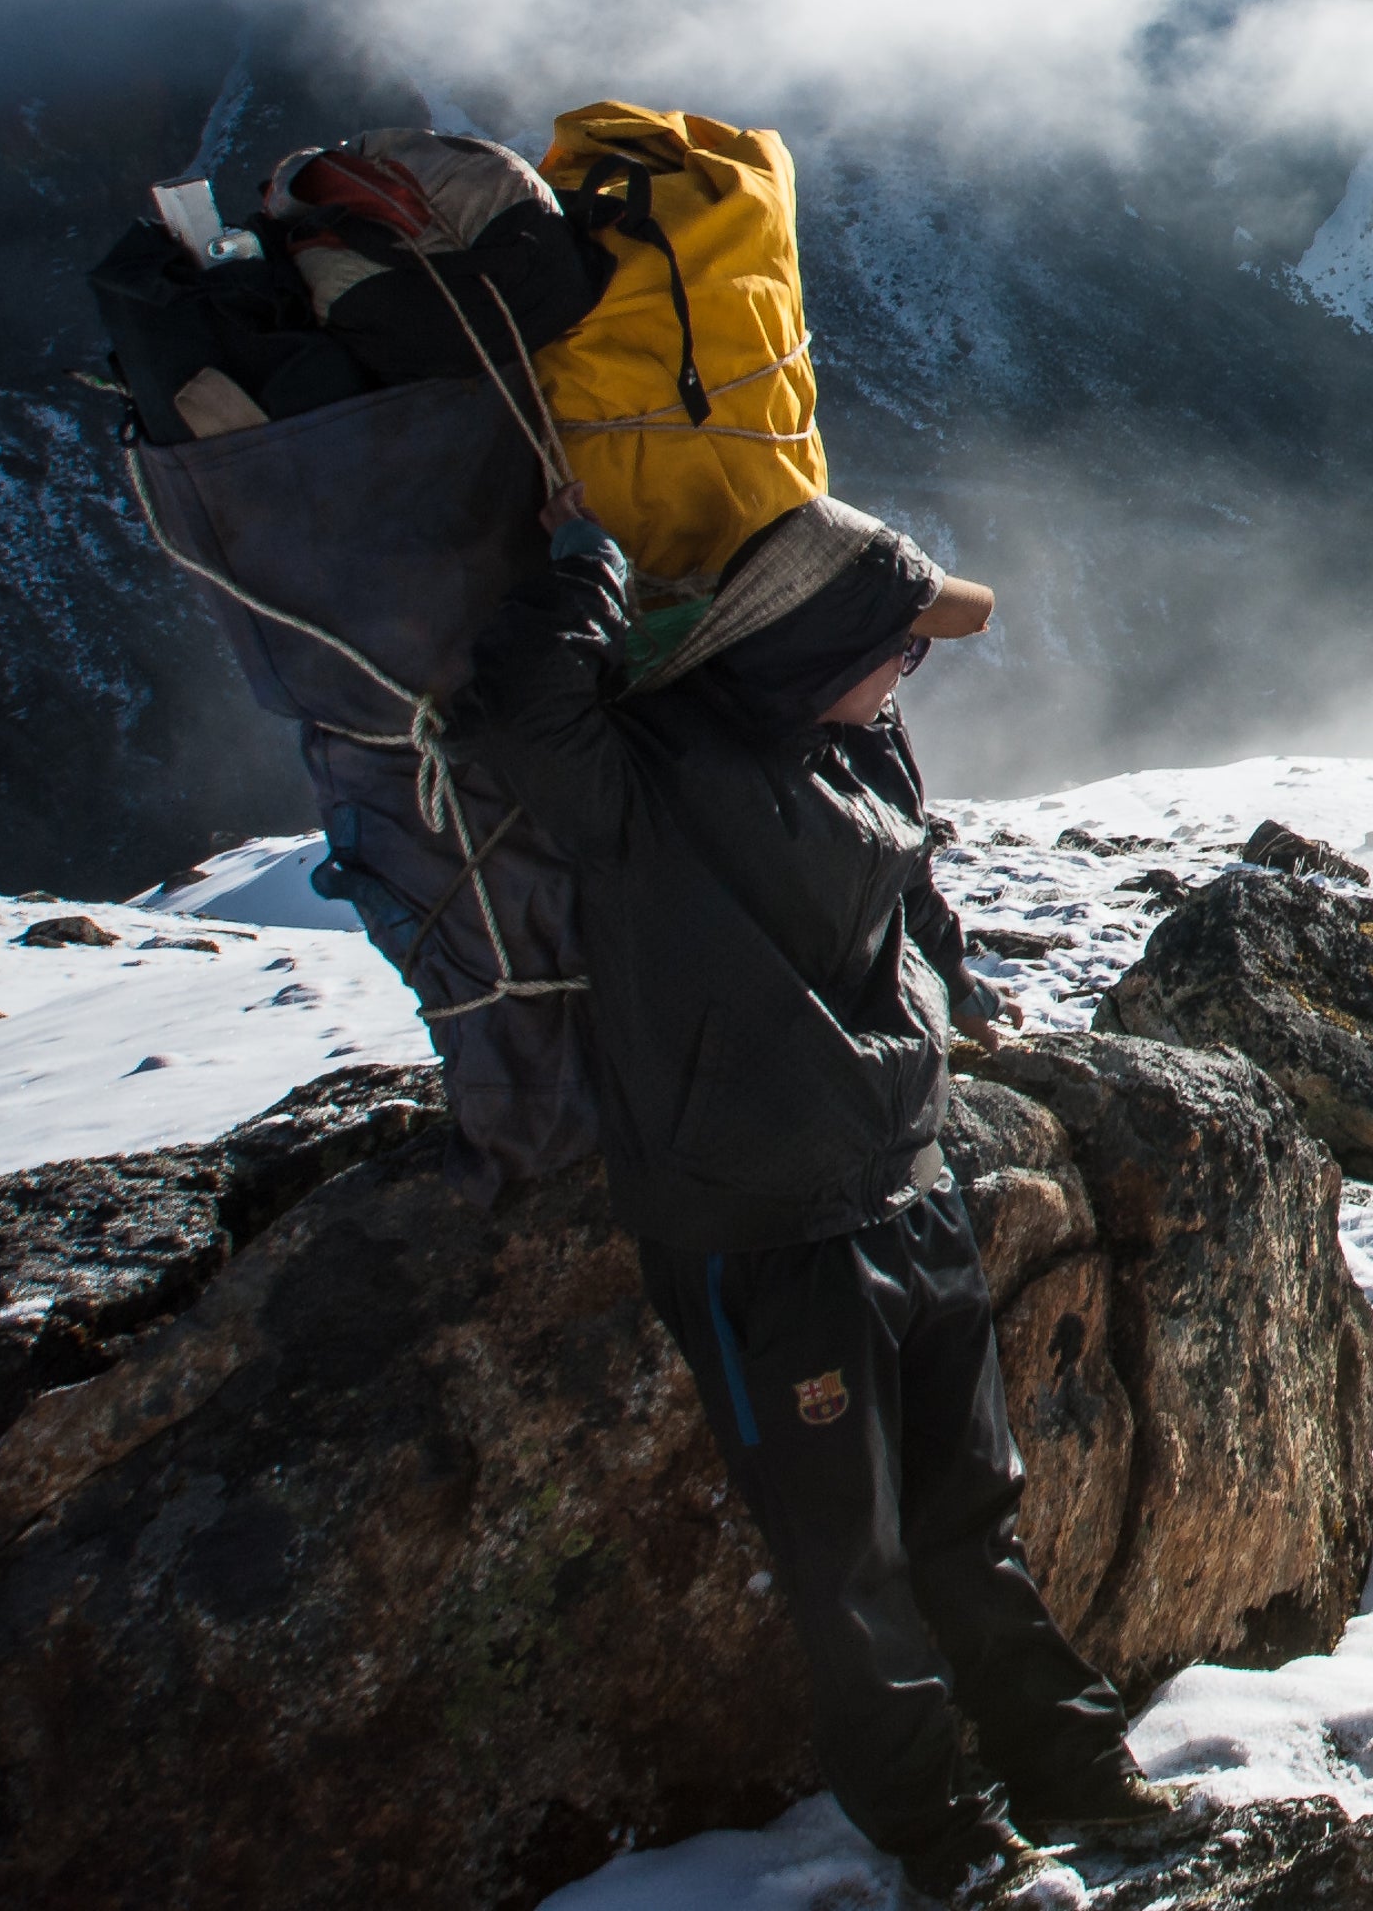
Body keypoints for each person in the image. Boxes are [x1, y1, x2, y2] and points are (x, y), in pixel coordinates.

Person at [468, 489, 1188, 1908]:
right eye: (899, 647)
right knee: (846, 1562)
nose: (914, 674)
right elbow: (519, 722)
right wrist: (584, 571)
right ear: (811, 641)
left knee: (968, 1510)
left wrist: (957, 983)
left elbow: (912, 902)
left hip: (900, 1183)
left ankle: (1070, 1768)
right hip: (757, 1233)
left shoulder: (865, 756)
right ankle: (943, 1835)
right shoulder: (646, 782)